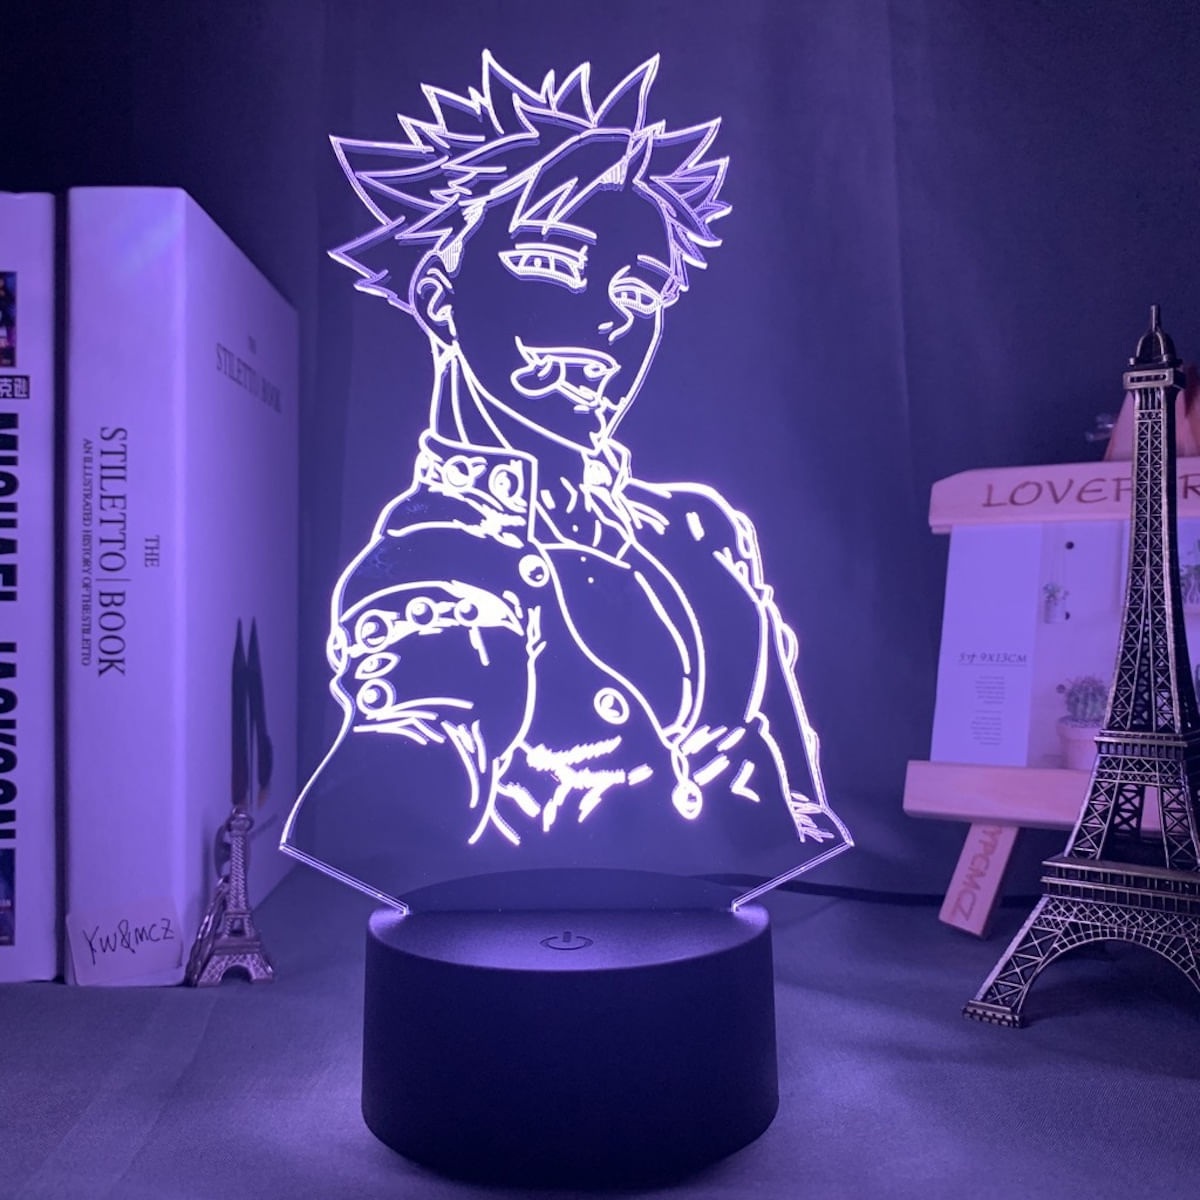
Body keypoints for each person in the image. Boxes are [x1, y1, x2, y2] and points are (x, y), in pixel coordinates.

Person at [283, 54, 851, 894]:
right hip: (522, 943)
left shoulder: (700, 525)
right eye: (552, 265)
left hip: (744, 938)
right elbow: (396, 776)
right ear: (439, 296)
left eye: (640, 295)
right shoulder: (434, 563)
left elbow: (801, 800)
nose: (607, 324)